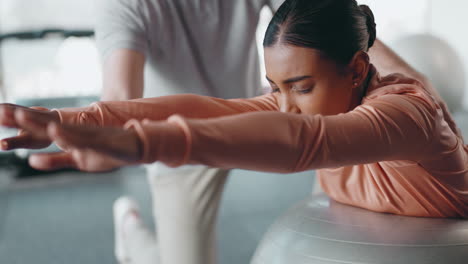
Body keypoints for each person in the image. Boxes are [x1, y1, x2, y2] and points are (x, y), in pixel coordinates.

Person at [0, 4, 466, 262]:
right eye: (275, 87)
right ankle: (134, 234)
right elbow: (206, 108)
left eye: (300, 87)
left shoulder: (406, 113)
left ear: (356, 70)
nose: (284, 103)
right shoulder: (300, 102)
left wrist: (143, 143)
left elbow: (301, 143)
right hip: (351, 213)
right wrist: (76, 121)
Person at [95, 0, 284, 263]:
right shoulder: (126, 5)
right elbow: (120, 97)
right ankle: (131, 231)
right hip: (178, 148)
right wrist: (97, 136)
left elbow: (316, 20)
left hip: (246, 119)